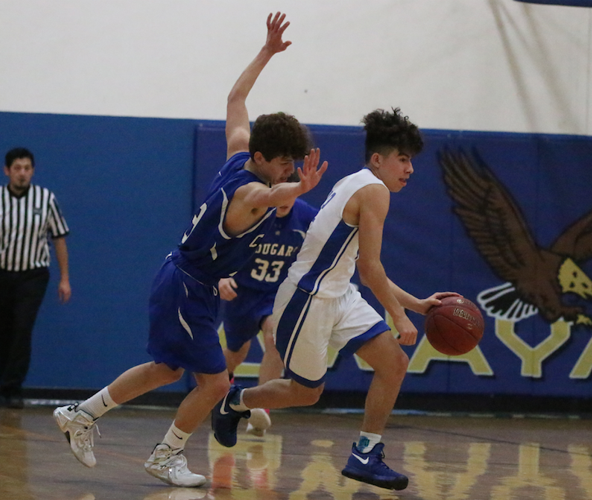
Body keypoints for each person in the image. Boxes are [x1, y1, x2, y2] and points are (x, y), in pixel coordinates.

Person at [52, 12, 326, 488]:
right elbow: (270, 197)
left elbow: (236, 98)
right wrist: (298, 190)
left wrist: (266, 51)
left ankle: (82, 415)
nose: (289, 170)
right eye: (285, 163)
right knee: (217, 383)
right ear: (262, 158)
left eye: (294, 165)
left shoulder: (240, 149)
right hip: (187, 287)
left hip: (189, 281)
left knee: (165, 369)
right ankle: (163, 454)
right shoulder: (251, 191)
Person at [211, 107, 459, 491]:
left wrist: (416, 304)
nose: (409, 169)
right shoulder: (373, 190)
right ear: (378, 159)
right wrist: (399, 316)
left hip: (339, 292)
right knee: (306, 393)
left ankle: (365, 453)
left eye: (411, 160)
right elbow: (371, 269)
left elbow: (359, 264)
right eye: (403, 159)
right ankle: (235, 401)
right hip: (307, 298)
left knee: (393, 363)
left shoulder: (358, 183)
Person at [0, 147, 72, 409]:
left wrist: (65, 278)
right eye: (17, 168)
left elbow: (59, 238)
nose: (22, 173)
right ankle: (5, 383)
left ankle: (12, 388)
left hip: (33, 274)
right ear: (7, 170)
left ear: (33, 171)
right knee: (0, 328)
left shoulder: (46, 199)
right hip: (0, 273)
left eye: (27, 168)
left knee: (22, 327)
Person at [217, 193, 318, 437]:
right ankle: (223, 387)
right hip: (241, 293)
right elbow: (218, 241)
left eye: (290, 195)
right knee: (235, 353)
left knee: (275, 337)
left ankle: (260, 408)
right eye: (280, 194)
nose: (284, 201)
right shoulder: (251, 211)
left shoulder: (306, 215)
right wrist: (220, 274)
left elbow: (335, 235)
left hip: (276, 292)